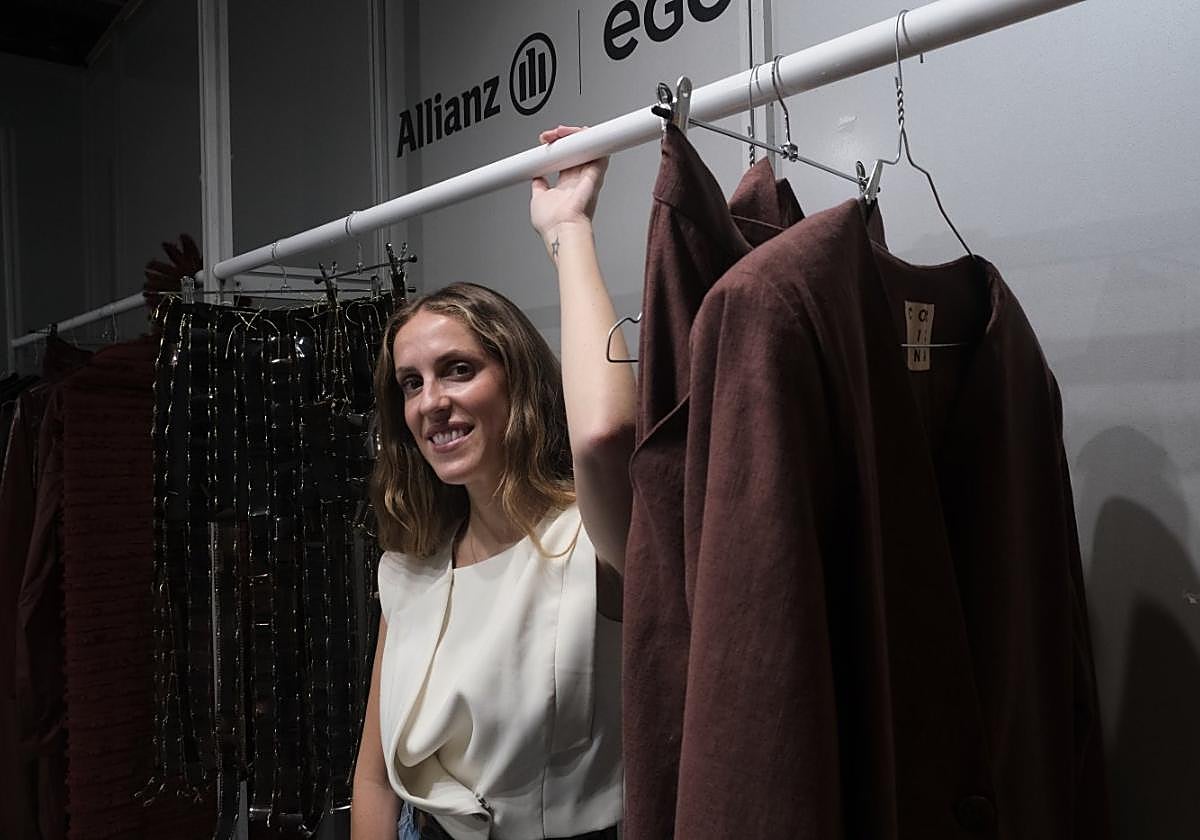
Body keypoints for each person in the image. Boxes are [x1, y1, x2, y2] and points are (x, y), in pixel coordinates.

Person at [350, 125, 635, 840]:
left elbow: (604, 435)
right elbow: (375, 780)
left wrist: (568, 228)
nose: (430, 402)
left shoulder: (595, 542)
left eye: (458, 370)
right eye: (410, 383)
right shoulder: (409, 572)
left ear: (519, 381)